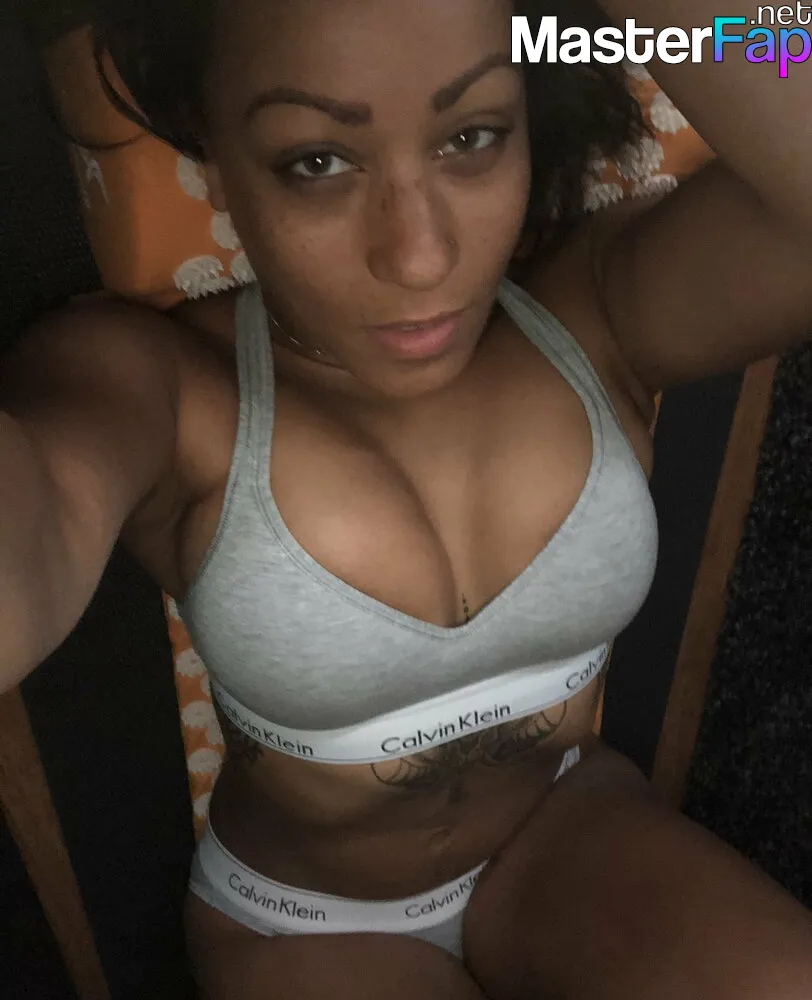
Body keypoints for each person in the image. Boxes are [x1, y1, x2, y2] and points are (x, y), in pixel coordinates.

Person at [3, 0, 812, 996]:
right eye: (316, 161)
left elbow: (783, 50)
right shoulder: (157, 388)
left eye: (471, 137)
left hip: (564, 831)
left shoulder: (599, 310)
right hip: (303, 924)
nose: (420, 256)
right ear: (213, 162)